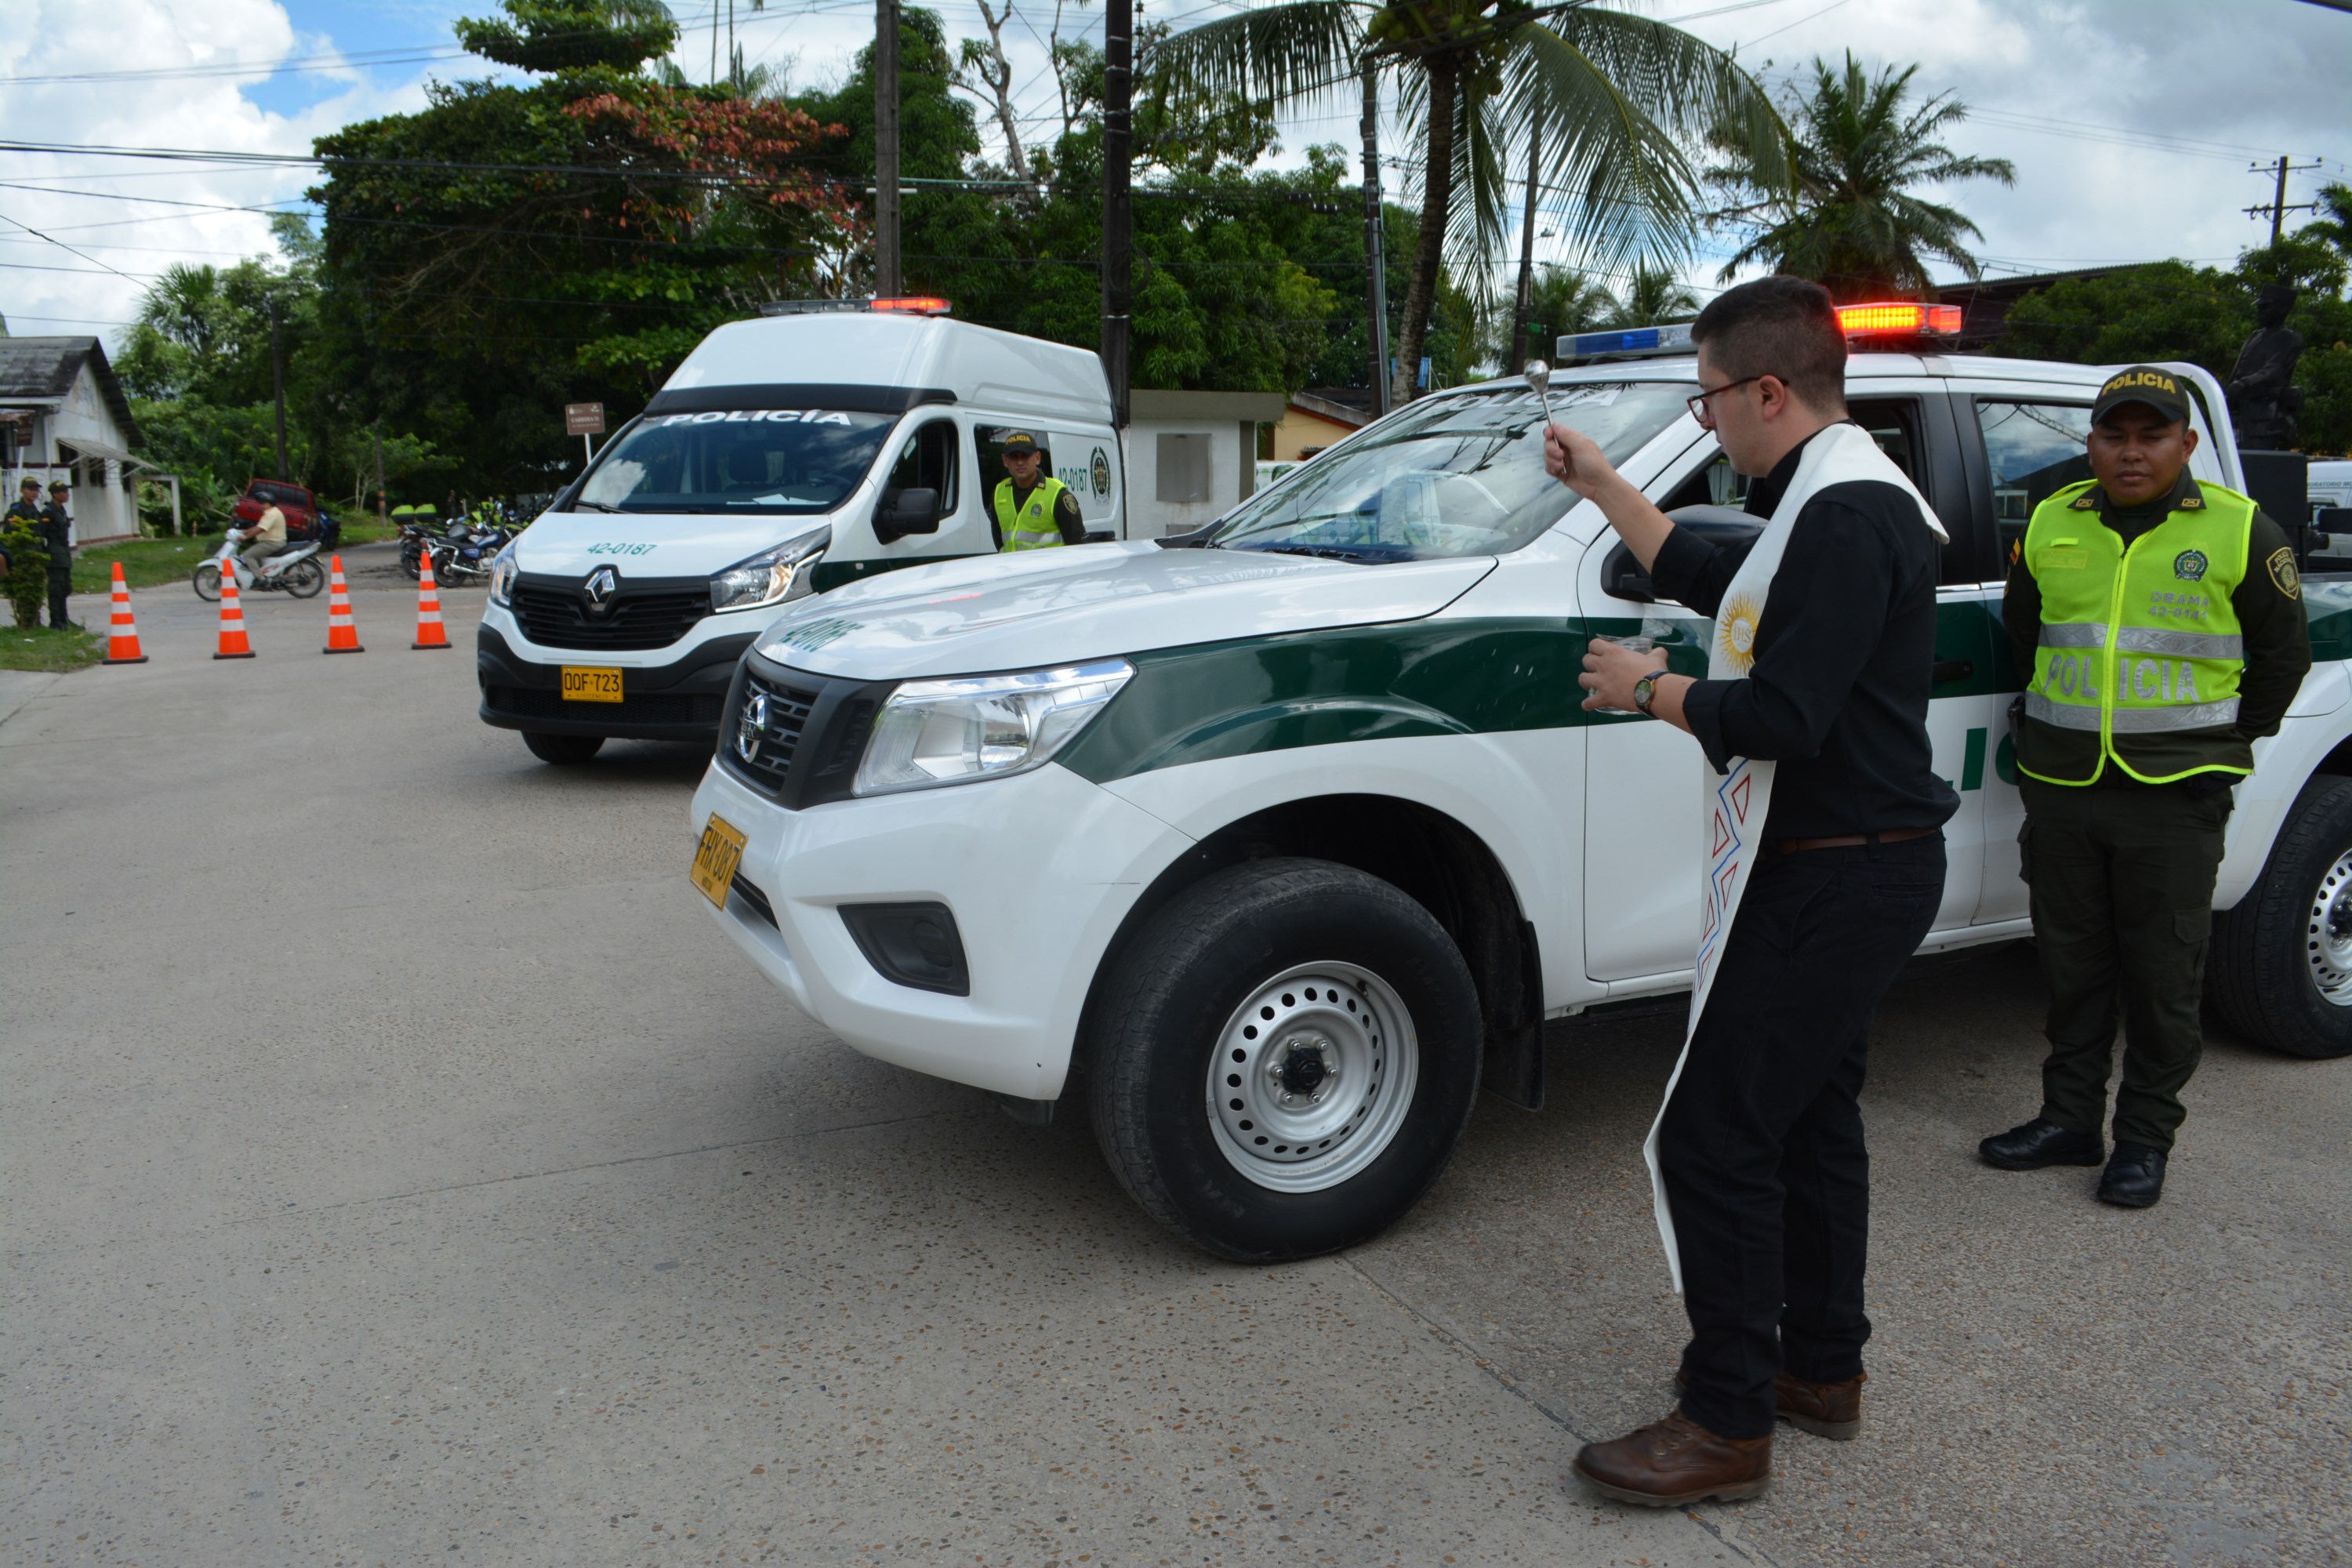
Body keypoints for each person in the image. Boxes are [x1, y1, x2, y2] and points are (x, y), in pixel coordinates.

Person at [1545, 275, 1955, 1507]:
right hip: (1852, 868)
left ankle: (1726, 1420)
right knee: (1810, 1122)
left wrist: (1645, 688)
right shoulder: (1829, 499)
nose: (1709, 419)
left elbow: (1783, 715)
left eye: (1712, 396)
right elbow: (1719, 587)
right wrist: (1606, 485)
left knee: (1715, 1136)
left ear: (1768, 390)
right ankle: (1821, 1372)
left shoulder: (1845, 515)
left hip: (1838, 877)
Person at [1979, 367, 2310, 1207]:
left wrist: (2228, 740)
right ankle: (2068, 1119)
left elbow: (2282, 660)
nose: (2130, 452)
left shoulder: (2242, 530)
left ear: (2186, 445)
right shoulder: (2056, 518)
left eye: (2150, 435)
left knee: (2163, 976)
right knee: (2073, 966)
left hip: (2175, 794)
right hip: (2062, 783)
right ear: (2091, 442)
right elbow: (2027, 635)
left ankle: (2144, 1139)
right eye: (2114, 435)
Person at [992, 432, 1086, 551]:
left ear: (1037, 458)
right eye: (1014, 457)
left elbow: (1077, 545)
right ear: (1005, 461)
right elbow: (1000, 541)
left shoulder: (1058, 495)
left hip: (1050, 569)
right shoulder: (999, 493)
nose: (1020, 462)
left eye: (1025, 456)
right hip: (1013, 569)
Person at [41, 480, 77, 628]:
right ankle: (55, 620)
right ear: (55, 494)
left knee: (65, 587)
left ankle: (64, 618)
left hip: (63, 552)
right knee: (55, 588)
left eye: (67, 492)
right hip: (54, 553)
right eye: (63, 492)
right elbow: (41, 533)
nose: (67, 494)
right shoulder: (48, 511)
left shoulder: (61, 510)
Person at [238, 495, 289, 583]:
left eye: (264, 503)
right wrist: (244, 531)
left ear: (270, 503)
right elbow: (258, 527)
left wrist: (245, 537)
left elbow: (260, 529)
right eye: (260, 503)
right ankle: (265, 574)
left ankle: (260, 580)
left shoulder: (271, 514)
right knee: (256, 556)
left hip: (273, 543)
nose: (261, 506)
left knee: (248, 555)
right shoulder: (271, 512)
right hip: (271, 542)